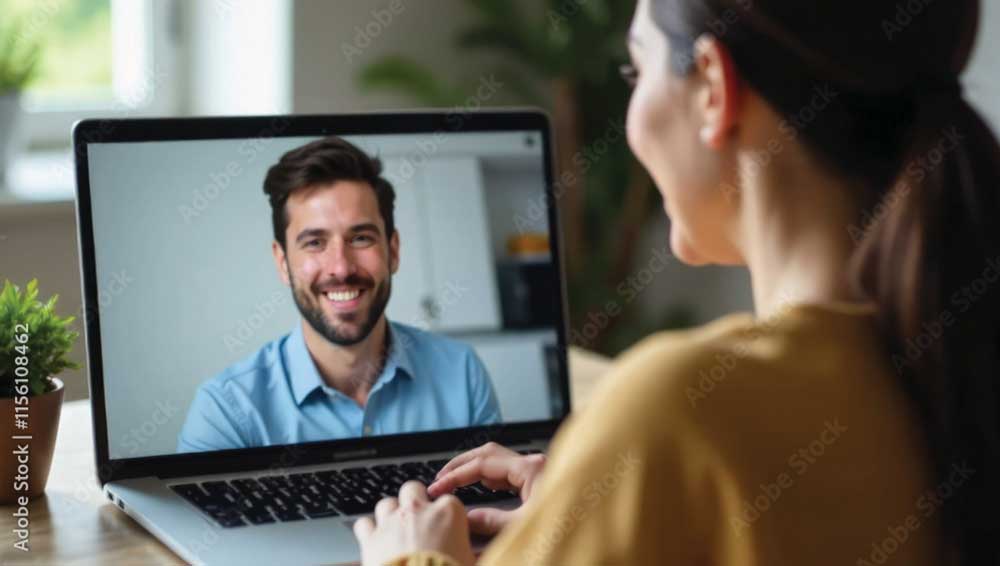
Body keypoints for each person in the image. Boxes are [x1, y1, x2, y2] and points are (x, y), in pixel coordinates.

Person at [350, 0, 1000, 564]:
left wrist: (415, 556)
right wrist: (595, 505)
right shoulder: (950, 352)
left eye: (637, 69)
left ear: (714, 87)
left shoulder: (680, 409)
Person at [177, 137, 501, 452]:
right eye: (315, 243)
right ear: (283, 263)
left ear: (394, 251)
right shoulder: (225, 412)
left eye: (360, 238)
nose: (342, 268)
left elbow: (498, 503)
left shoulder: (463, 373)